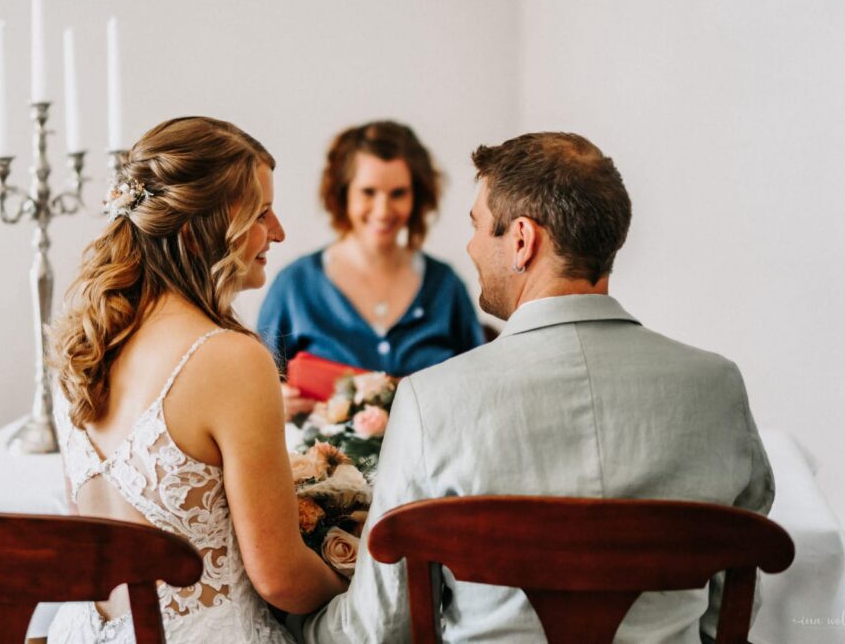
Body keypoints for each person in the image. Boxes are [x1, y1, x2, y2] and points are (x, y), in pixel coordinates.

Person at [296, 132, 774, 643]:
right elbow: (730, 605)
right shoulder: (718, 387)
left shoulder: (432, 400)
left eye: (477, 225)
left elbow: (380, 628)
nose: (471, 245)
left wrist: (296, 626)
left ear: (522, 240)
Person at [46, 117, 346, 643]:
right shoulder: (230, 359)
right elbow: (280, 578)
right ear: (196, 230)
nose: (278, 232)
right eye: (260, 214)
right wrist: (355, 580)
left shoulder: (83, 344)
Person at [258, 120, 483, 418]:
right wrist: (274, 403)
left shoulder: (446, 286)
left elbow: (480, 389)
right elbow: (255, 392)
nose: (383, 210)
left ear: (417, 196)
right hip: (323, 462)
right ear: (342, 194)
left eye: (398, 193)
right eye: (368, 192)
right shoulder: (294, 286)